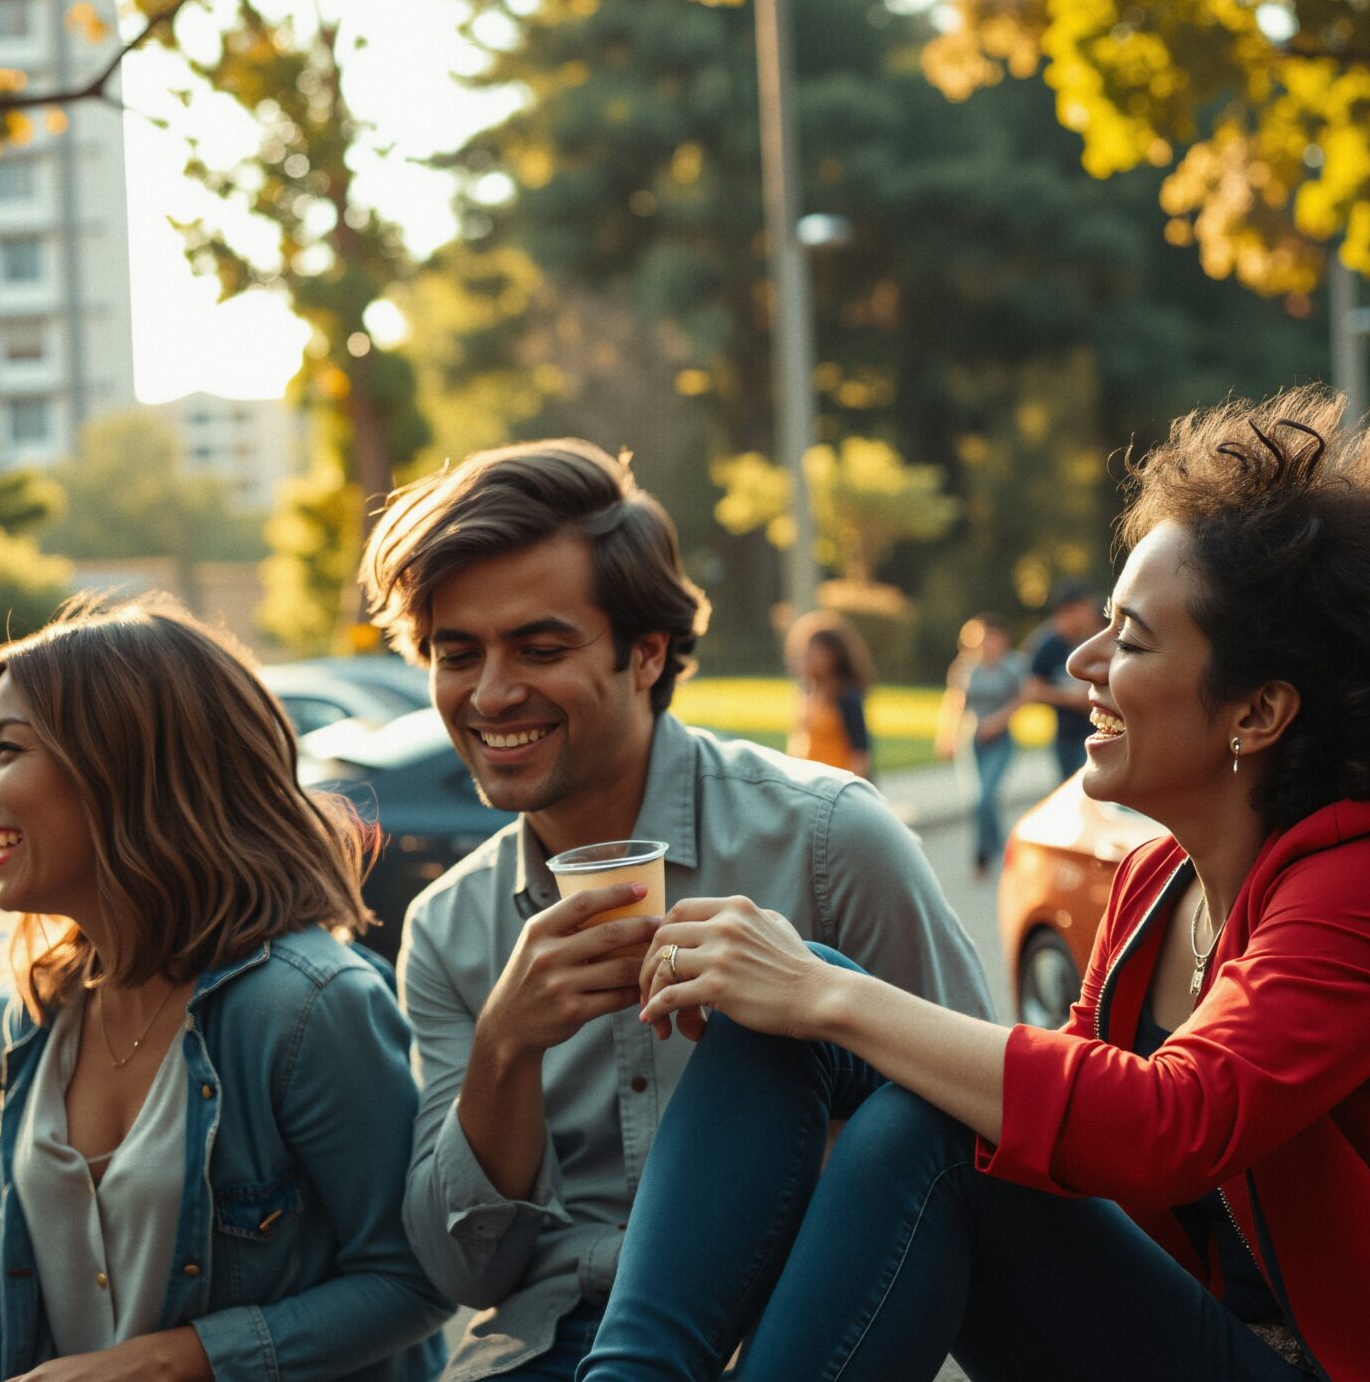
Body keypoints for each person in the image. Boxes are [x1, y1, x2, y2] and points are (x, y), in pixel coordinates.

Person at [578, 391, 1370, 1382]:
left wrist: (831, 997)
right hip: (1224, 1345)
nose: (1082, 661)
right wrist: (817, 1014)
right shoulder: (1152, 888)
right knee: (830, 1040)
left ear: (1257, 712)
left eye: (1129, 638)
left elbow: (1175, 1125)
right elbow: (1079, 1158)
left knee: (853, 1048)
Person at [358, 440, 991, 1381]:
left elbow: (976, 1143)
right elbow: (461, 1270)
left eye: (540, 648)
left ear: (646, 652)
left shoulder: (827, 840)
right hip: (548, 1345)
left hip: (800, 1325)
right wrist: (505, 1044)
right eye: (459, 655)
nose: (492, 693)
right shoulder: (452, 926)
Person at [0, 594, 452, 1382]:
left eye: (8, 751)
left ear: (123, 769)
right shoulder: (49, 1003)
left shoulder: (307, 1008)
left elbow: (414, 1280)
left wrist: (174, 1362)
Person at [934, 614, 1024, 877]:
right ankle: (991, 849)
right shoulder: (965, 667)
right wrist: (947, 734)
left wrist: (997, 722)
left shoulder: (1014, 665)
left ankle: (987, 853)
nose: (986, 643)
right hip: (972, 740)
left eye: (992, 638)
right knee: (977, 800)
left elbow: (1024, 697)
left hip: (1001, 740)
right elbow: (956, 701)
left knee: (987, 797)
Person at [1022, 582, 1104, 781]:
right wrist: (1072, 698)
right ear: (1070, 610)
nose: (1091, 613)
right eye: (1085, 608)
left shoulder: (1093, 637)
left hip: (1100, 729)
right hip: (1067, 733)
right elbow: (1033, 690)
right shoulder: (1046, 646)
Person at [784, 610, 875, 780]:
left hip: (836, 788)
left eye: (813, 652)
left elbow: (860, 754)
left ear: (832, 656)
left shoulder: (847, 698)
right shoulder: (807, 692)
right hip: (809, 786)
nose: (806, 658)